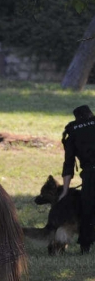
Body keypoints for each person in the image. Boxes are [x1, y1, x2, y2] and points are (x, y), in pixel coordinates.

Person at [60, 104, 95, 253]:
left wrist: (65, 190)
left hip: (90, 175)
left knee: (87, 210)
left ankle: (85, 246)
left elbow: (68, 165)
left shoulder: (73, 131)